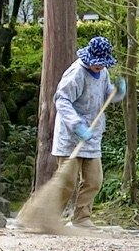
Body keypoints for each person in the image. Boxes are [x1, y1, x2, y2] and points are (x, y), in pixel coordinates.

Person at [49, 35, 126, 229]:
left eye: (102, 64)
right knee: (67, 181)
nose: (100, 67)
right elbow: (62, 100)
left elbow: (105, 94)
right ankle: (50, 218)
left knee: (94, 180)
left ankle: (82, 218)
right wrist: (76, 125)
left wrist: (117, 93)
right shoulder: (76, 73)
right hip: (71, 135)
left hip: (91, 135)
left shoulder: (103, 72)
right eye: (97, 64)